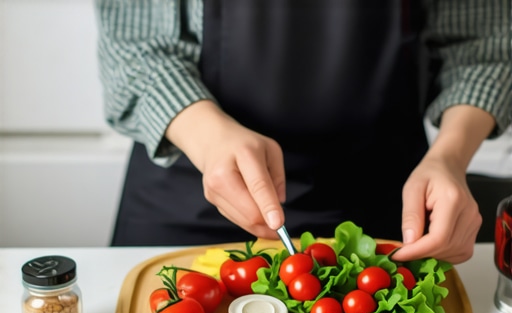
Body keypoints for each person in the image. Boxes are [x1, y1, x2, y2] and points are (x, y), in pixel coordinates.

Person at [94, 0, 511, 264]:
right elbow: (134, 48)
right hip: (187, 195)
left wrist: (449, 158)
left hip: (385, 200)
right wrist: (209, 136)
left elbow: (483, 47)